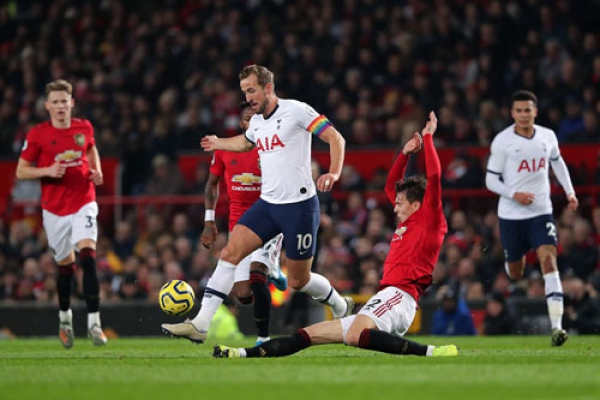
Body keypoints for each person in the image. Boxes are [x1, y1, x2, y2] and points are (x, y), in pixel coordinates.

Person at [213, 111, 458, 358]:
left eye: (400, 202)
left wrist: (428, 139)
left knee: (355, 336)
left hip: (401, 296)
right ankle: (240, 354)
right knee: (307, 335)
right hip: (384, 296)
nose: (395, 206)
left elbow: (435, 176)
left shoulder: (430, 220)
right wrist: (404, 155)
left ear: (417, 204)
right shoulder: (409, 220)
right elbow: (389, 185)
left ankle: (432, 352)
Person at [162, 64, 353, 343]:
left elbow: (336, 137)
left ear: (268, 88)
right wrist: (218, 142)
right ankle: (200, 324)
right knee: (229, 254)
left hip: (299, 207)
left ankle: (339, 304)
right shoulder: (258, 123)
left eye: (251, 90)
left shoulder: (297, 110)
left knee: (300, 281)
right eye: (244, 91)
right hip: (267, 206)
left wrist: (334, 172)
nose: (248, 96)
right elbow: (244, 143)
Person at [15, 79, 107, 348]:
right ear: (47, 106)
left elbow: (90, 148)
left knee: (88, 256)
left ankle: (95, 325)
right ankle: (65, 320)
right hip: (54, 209)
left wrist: (96, 169)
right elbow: (21, 171)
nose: (60, 106)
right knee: (65, 267)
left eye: (64, 102)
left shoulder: (83, 127)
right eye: (54, 102)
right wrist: (46, 171)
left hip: (84, 200)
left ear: (71, 103)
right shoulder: (37, 134)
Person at [485, 90, 579, 347]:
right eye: (519, 110)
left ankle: (557, 328)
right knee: (516, 272)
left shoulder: (547, 136)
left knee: (549, 260)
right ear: (512, 113)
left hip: (541, 212)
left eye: (528, 110)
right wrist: (514, 194)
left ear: (535, 112)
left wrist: (570, 192)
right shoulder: (502, 141)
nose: (524, 115)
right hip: (511, 215)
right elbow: (490, 179)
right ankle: (511, 262)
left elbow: (558, 163)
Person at [202, 101, 287, 345]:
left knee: (256, 274)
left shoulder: (273, 148)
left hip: (269, 217)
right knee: (243, 294)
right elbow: (211, 184)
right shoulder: (225, 149)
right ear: (243, 124)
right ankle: (274, 270)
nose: (255, 121)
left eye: (259, 116)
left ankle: (263, 338)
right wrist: (209, 221)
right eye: (250, 118)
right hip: (239, 224)